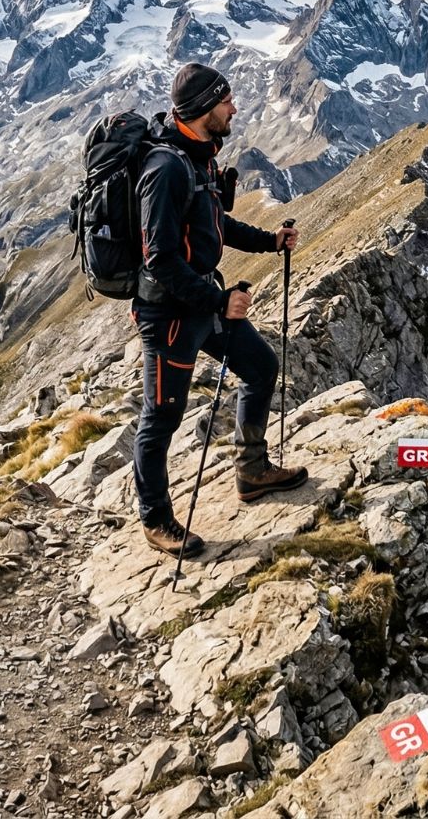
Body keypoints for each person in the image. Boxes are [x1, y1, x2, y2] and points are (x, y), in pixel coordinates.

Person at [130, 63, 306, 556]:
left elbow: (215, 224)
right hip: (168, 316)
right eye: (227, 101)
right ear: (206, 107)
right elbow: (159, 259)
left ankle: (251, 472)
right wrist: (220, 301)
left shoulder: (197, 157)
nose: (235, 108)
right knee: (162, 415)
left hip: (202, 301)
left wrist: (270, 241)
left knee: (260, 366)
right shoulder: (165, 170)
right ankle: (156, 520)